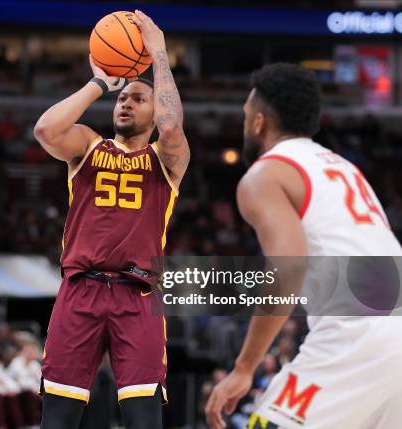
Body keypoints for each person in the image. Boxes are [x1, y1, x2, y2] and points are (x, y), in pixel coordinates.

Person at [205, 63, 402, 429]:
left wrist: (244, 367)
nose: (245, 125)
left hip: (359, 335)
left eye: (246, 116)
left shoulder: (265, 175)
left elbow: (289, 266)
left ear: (259, 122)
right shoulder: (346, 169)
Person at [33, 10, 189, 429]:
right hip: (79, 289)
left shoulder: (165, 158)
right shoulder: (87, 144)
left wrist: (158, 54)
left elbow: (172, 125)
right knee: (58, 419)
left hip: (136, 295)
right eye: (123, 98)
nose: (126, 102)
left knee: (142, 420)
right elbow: (46, 130)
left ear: (154, 112)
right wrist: (101, 82)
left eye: (139, 99)